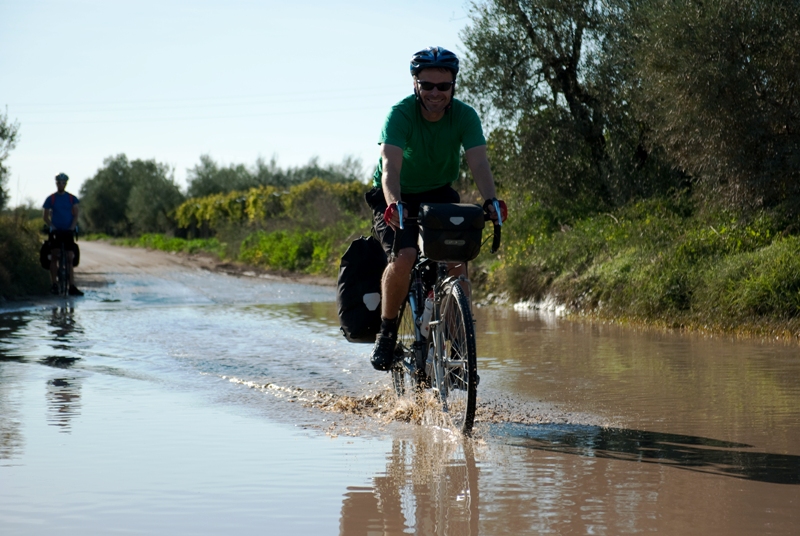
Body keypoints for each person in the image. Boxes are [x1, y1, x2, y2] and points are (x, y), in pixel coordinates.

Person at [366, 46, 508, 371]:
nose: (434, 93)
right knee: (404, 257)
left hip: (439, 193)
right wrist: (394, 205)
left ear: (453, 86)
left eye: (442, 86)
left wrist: (491, 201)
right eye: (427, 85)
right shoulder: (400, 114)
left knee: (456, 260)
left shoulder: (464, 116)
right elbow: (390, 167)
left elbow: (479, 162)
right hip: (395, 194)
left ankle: (458, 344)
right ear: (415, 84)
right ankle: (387, 333)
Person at [43, 172, 84, 296]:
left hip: (68, 231)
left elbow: (76, 215)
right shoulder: (51, 199)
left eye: (63, 183)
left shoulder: (72, 198)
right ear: (56, 183)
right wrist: (52, 226)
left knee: (70, 257)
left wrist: (72, 227)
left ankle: (71, 286)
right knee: (54, 256)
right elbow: (45, 216)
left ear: (66, 184)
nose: (61, 184)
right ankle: (54, 284)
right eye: (59, 182)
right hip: (56, 231)